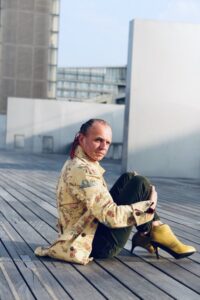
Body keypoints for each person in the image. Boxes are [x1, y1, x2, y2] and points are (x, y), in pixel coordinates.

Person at [35, 119, 196, 265]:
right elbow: (109, 215)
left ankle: (150, 232)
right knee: (140, 184)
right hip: (92, 245)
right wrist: (149, 207)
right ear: (82, 139)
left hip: (90, 231)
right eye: (98, 140)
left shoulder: (80, 162)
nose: (104, 147)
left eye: (107, 142)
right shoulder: (82, 170)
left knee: (129, 177)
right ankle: (153, 231)